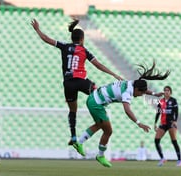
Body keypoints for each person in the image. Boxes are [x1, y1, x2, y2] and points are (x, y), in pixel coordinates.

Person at [31, 18, 123, 148]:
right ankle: (100, 120)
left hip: (68, 83)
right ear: (82, 39)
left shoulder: (64, 46)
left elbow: (46, 39)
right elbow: (98, 65)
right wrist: (113, 74)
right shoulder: (84, 51)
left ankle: (73, 136)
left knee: (72, 110)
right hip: (80, 81)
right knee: (98, 93)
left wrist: (37, 29)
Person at [73, 62, 170, 167]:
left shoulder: (132, 83)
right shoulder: (127, 93)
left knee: (100, 125)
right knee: (108, 131)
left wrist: (154, 94)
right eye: (141, 93)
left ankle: (79, 143)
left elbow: (144, 90)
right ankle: (100, 155)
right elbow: (127, 110)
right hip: (96, 103)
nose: (141, 95)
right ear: (137, 90)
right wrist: (139, 123)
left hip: (95, 98)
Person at [154, 86, 181, 167]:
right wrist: (155, 123)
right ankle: (162, 158)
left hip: (170, 123)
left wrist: (175, 121)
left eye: (168, 90)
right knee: (156, 140)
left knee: (174, 141)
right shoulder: (161, 101)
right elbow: (158, 113)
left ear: (170, 92)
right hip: (163, 123)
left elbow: (176, 112)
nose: (166, 92)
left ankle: (179, 160)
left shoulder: (173, 101)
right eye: (165, 90)